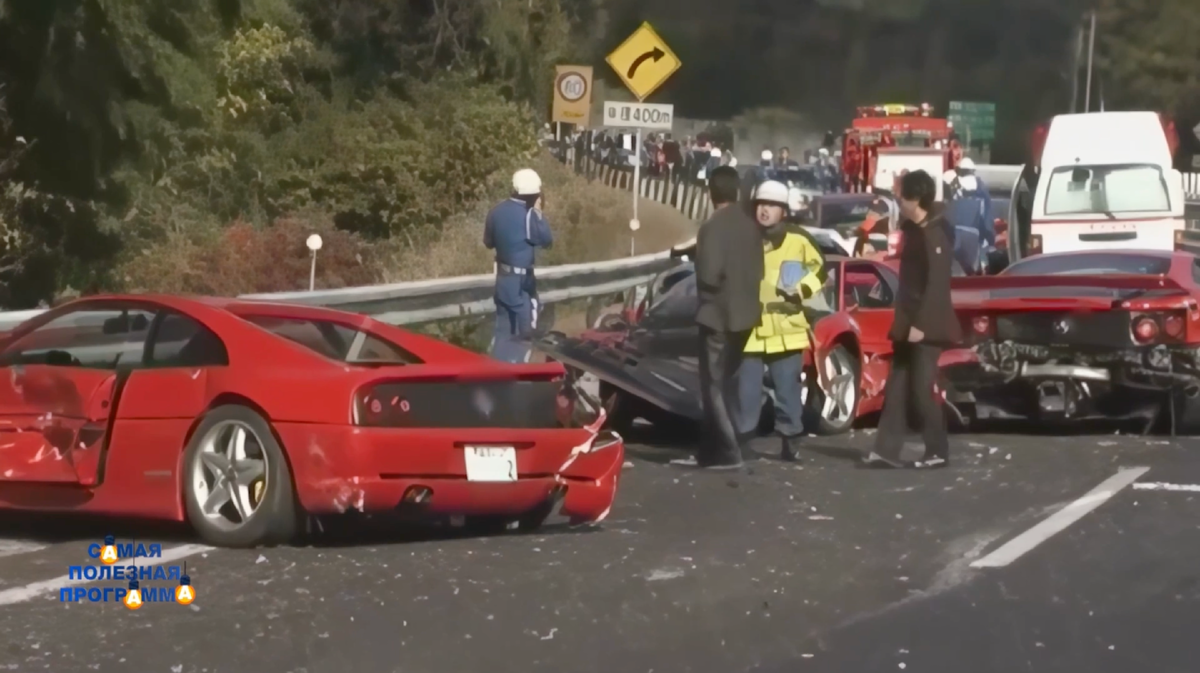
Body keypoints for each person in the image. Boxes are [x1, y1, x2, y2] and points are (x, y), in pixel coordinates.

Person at [863, 170, 961, 469]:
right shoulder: (912, 230)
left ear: (916, 198)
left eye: (902, 195)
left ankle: (937, 451)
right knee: (896, 389)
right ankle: (886, 450)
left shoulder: (935, 234)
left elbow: (936, 285)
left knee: (921, 390)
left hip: (926, 327)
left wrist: (921, 325)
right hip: (907, 323)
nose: (898, 200)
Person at [671, 166, 765, 469]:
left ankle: (728, 452)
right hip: (746, 317)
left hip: (717, 317)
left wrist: (696, 259)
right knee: (726, 385)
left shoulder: (711, 227)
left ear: (711, 193)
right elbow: (760, 270)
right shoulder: (751, 226)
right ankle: (709, 452)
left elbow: (709, 276)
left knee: (713, 387)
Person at [736, 181, 827, 462]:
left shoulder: (799, 240)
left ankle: (790, 440)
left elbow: (820, 271)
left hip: (786, 327)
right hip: (750, 328)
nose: (765, 210)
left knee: (788, 391)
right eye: (761, 204)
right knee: (746, 393)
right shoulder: (744, 238)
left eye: (772, 206)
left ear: (784, 211)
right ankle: (742, 443)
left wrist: (801, 290)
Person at [484, 168, 553, 363]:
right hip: (522, 283)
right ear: (536, 194)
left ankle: (496, 368)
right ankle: (518, 370)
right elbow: (546, 241)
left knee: (502, 330)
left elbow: (488, 242)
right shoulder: (529, 215)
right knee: (526, 333)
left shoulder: (495, 212)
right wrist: (539, 212)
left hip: (503, 279)